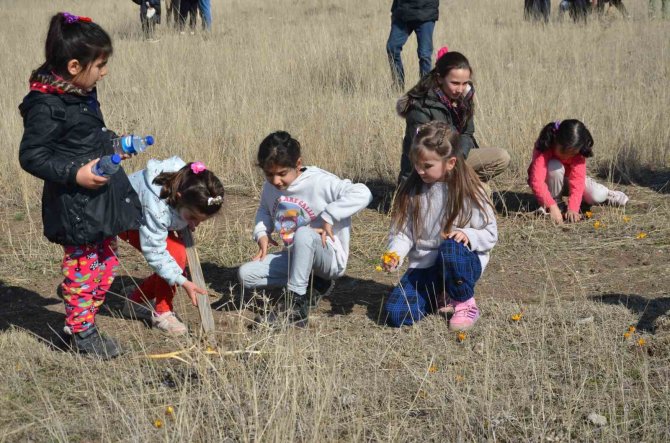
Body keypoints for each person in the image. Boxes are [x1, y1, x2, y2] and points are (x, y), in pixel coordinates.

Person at [18, 12, 143, 359]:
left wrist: (114, 144)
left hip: (100, 201)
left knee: (105, 264)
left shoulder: (81, 92)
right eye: (100, 64)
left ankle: (77, 319)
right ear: (74, 66)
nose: (105, 71)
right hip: (75, 206)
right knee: (85, 267)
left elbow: (86, 136)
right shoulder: (45, 105)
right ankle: (83, 333)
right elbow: (32, 156)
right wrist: (76, 173)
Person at [237, 131, 372, 327]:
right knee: (246, 274)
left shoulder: (320, 182)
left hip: (329, 257)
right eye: (269, 174)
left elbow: (363, 193)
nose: (275, 181)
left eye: (282, 173)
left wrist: (329, 216)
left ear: (298, 164)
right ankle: (314, 284)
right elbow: (264, 210)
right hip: (295, 255)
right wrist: (262, 233)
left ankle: (295, 306)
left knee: (303, 234)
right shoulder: (270, 187)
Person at [383, 121, 497, 330]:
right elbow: (403, 232)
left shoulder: (470, 191)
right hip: (425, 266)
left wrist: (468, 235)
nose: (419, 170)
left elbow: (490, 234)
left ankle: (463, 301)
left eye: (427, 166)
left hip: (460, 260)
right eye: (416, 164)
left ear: (451, 162)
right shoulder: (411, 192)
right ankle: (438, 293)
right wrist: (396, 253)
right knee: (397, 314)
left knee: (450, 245)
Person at [118, 158, 224, 335]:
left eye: (200, 220)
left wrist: (185, 221)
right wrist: (183, 281)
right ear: (179, 198)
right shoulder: (155, 206)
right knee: (174, 256)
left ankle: (135, 300)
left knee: (176, 256)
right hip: (127, 220)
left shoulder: (189, 181)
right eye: (192, 218)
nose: (195, 225)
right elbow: (155, 252)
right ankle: (162, 311)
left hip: (156, 218)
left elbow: (178, 215)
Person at [396, 49, 510, 184]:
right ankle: (460, 187)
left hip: (454, 159)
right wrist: (454, 164)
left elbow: (467, 133)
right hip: (426, 172)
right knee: (482, 192)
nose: (460, 89)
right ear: (439, 79)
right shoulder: (421, 106)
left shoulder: (464, 98)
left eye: (465, 83)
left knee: (501, 157)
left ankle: (463, 184)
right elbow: (425, 151)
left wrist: (458, 158)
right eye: (455, 83)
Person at [527, 119, 629, 225]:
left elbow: (577, 181)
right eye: (563, 151)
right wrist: (551, 206)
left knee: (597, 195)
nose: (567, 156)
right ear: (556, 140)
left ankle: (608, 194)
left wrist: (573, 208)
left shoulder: (579, 151)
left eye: (572, 153)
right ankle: (555, 203)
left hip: (568, 181)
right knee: (554, 166)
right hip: (550, 181)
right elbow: (537, 181)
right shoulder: (545, 144)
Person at [386, 0, 439, 90]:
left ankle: (424, 90)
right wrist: (394, 10)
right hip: (403, 12)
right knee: (392, 48)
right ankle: (398, 86)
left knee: (424, 55)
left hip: (426, 13)